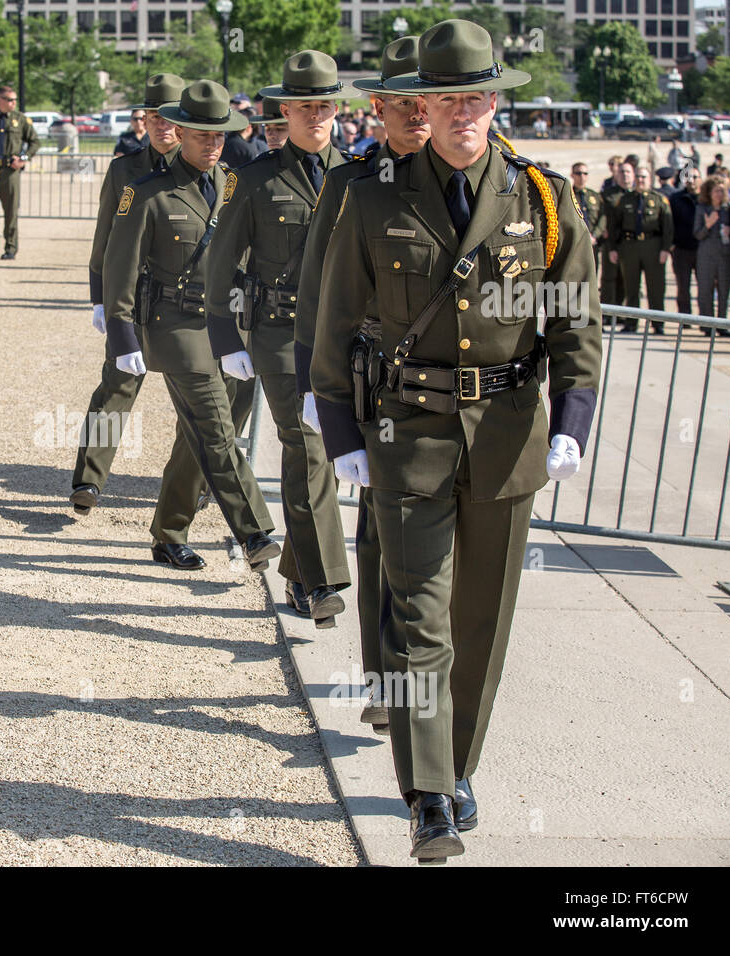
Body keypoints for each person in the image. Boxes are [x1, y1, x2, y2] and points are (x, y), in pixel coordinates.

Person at [312, 19, 601, 863]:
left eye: (479, 96)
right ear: (424, 105)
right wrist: (340, 432)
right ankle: (428, 793)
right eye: (449, 97)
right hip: (407, 437)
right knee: (420, 620)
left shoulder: (544, 198)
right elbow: (334, 324)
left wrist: (573, 420)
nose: (465, 112)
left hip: (510, 437)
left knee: (482, 621)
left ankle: (460, 762)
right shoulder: (373, 197)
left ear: (493, 100)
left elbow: (575, 319)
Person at [296, 35, 430, 732]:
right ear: (377, 108)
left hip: (452, 392)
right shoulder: (349, 186)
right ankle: (385, 682)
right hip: (376, 382)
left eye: (425, 99)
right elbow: (318, 293)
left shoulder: (461, 183)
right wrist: (314, 392)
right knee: (381, 538)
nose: (416, 114)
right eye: (401, 102)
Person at [103, 79, 280, 573]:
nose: (213, 143)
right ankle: (255, 532)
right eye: (203, 134)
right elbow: (121, 264)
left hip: (230, 327)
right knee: (216, 427)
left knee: (197, 434)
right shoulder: (145, 192)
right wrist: (120, 332)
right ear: (179, 132)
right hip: (175, 325)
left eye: (220, 135)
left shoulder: (234, 185)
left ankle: (168, 532)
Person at [207, 50, 356, 625]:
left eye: (324, 105)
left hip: (341, 338)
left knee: (315, 455)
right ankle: (322, 584)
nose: (315, 115)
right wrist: (227, 337)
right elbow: (220, 265)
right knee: (308, 446)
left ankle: (297, 574)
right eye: (304, 106)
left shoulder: (362, 175)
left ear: (335, 109)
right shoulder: (252, 179)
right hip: (277, 332)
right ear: (284, 111)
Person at [70, 72, 186, 517]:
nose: (160, 126)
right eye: (152, 117)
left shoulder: (207, 168)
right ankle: (88, 481)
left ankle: (192, 485)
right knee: (115, 391)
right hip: (132, 299)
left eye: (169, 117)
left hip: (183, 302)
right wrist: (99, 295)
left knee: (193, 401)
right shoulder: (125, 168)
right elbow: (106, 233)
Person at [0, 86, 39, 260]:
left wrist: (24, 157)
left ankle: (10, 248)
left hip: (10, 172)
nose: (13, 103)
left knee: (11, 212)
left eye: (14, 100)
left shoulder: (20, 120)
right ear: (0, 99)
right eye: (9, 99)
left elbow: (35, 142)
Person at [610, 164, 673, 333]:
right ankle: (631, 323)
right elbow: (615, 225)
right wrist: (613, 248)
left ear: (650, 179)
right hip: (629, 246)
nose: (640, 180)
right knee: (631, 287)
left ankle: (658, 324)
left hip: (653, 246)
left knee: (656, 288)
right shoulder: (624, 200)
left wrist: (666, 249)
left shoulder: (659, 199)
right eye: (638, 176)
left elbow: (667, 227)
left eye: (644, 177)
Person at [693, 175, 730, 337]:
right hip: (707, 255)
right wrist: (708, 224)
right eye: (716, 191)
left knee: (724, 291)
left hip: (725, 255)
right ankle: (707, 324)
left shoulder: (729, 208)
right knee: (705, 290)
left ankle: (722, 324)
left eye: (722, 191)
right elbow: (697, 234)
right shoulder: (702, 209)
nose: (719, 194)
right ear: (709, 192)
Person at [600, 159, 635, 308]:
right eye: (622, 172)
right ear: (616, 175)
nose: (625, 175)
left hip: (630, 242)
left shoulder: (637, 194)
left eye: (628, 172)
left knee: (627, 278)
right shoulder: (607, 195)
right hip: (611, 241)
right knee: (609, 277)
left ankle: (624, 311)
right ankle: (608, 311)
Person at [669, 167, 702, 316]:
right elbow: (669, 223)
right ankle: (685, 317)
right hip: (681, 249)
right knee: (683, 287)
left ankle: (705, 319)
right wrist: (671, 244)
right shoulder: (676, 199)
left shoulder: (706, 199)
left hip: (702, 249)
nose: (691, 180)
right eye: (688, 177)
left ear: (700, 179)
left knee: (704, 287)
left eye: (695, 177)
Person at [570, 163, 604, 291]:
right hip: (575, 244)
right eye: (578, 173)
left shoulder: (594, 196)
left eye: (585, 173)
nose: (582, 177)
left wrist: (595, 235)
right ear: (572, 175)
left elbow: (602, 217)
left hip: (592, 243)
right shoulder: (568, 194)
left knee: (591, 278)